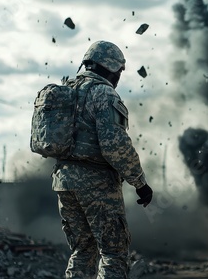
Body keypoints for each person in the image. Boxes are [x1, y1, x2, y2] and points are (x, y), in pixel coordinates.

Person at [51, 40, 153, 278]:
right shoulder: (103, 93)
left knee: (82, 250)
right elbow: (115, 145)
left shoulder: (66, 90)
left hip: (63, 181)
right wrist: (140, 183)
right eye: (118, 71)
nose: (118, 77)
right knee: (114, 253)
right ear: (110, 67)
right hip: (95, 183)